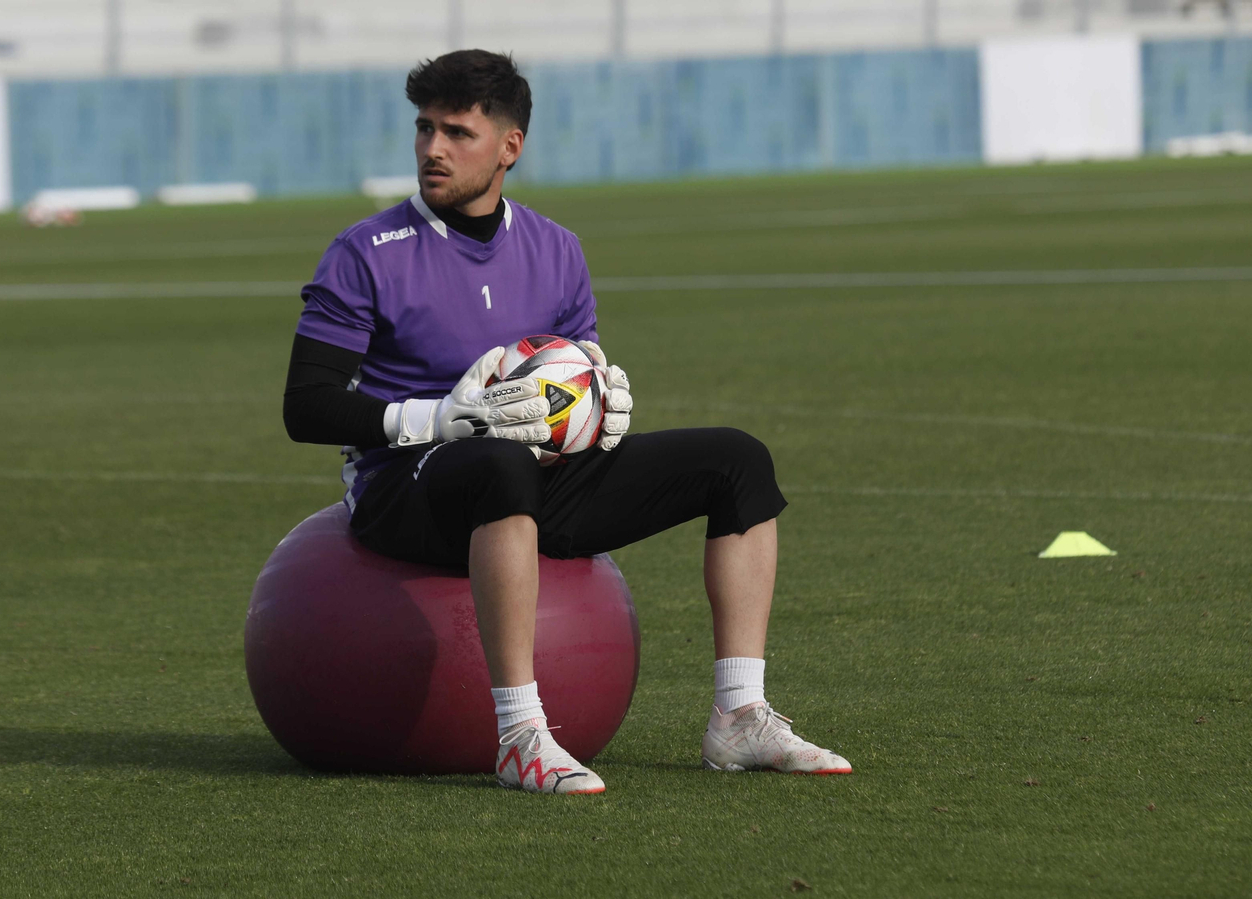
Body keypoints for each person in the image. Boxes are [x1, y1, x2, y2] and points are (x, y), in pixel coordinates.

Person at [282, 49, 850, 794]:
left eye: (457, 133)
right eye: (424, 129)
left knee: (737, 460)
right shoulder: (366, 252)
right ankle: (520, 734)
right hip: (403, 489)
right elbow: (307, 405)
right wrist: (441, 418)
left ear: (509, 147)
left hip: (535, 477)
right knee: (501, 463)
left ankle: (739, 716)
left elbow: (576, 370)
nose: (432, 150)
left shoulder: (556, 248)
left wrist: (602, 411)